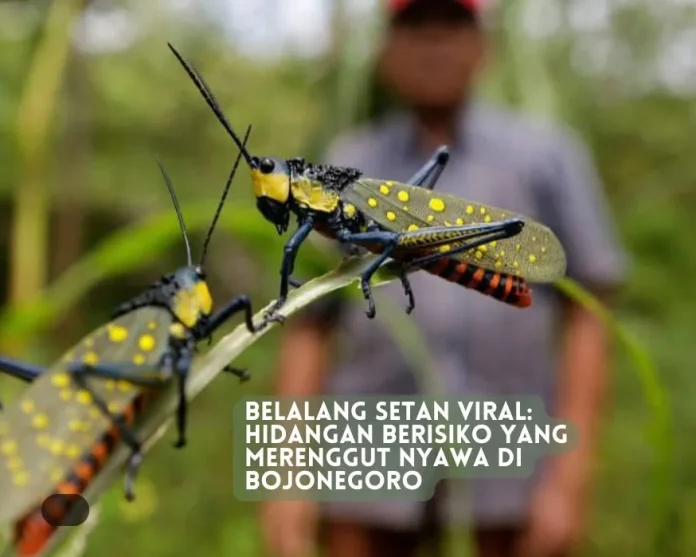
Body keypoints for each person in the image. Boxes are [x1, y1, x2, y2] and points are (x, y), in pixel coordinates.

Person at [259, 0, 627, 556]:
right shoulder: (348, 157)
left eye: (451, 26)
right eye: (413, 27)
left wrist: (571, 474)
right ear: (385, 49)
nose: (433, 45)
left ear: (483, 45)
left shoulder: (547, 157)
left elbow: (590, 312)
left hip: (509, 447)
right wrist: (286, 477)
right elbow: (308, 322)